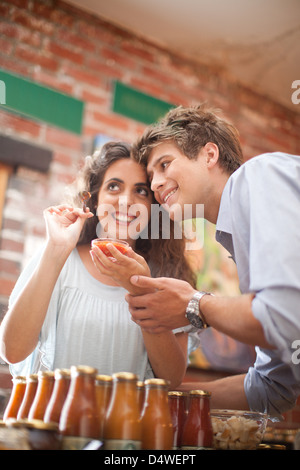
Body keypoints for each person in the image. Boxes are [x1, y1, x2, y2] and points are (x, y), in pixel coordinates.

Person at [126, 104, 300, 419]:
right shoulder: (238, 236)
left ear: (209, 155)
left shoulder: (259, 174)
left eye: (165, 164)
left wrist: (194, 305)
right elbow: (270, 388)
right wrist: (149, 403)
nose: (154, 184)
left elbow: (284, 317)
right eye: (151, 177)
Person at [0, 142, 196, 389]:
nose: (126, 201)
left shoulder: (167, 275)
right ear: (95, 199)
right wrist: (56, 251)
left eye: (141, 191)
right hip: (52, 423)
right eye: (114, 186)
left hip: (125, 426)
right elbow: (13, 352)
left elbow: (171, 380)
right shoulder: (58, 257)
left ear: (153, 207)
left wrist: (140, 290)